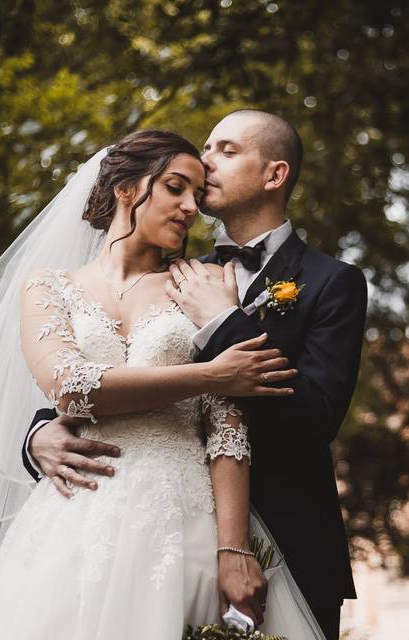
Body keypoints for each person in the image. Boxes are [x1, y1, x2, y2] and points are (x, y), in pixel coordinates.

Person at [0, 130, 325, 640]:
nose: (189, 208)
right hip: (74, 518)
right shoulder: (49, 287)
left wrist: (233, 547)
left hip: (185, 520)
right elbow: (70, 386)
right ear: (126, 188)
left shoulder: (202, 284)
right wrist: (210, 374)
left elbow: (227, 429)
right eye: (175, 188)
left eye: (196, 197)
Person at [24, 110, 367, 640]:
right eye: (205, 149)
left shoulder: (332, 282)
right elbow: (116, 367)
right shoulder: (181, 274)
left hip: (286, 539)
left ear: (275, 175)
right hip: (145, 519)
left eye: (226, 150)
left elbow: (314, 418)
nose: (208, 161)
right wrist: (40, 430)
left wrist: (224, 323)